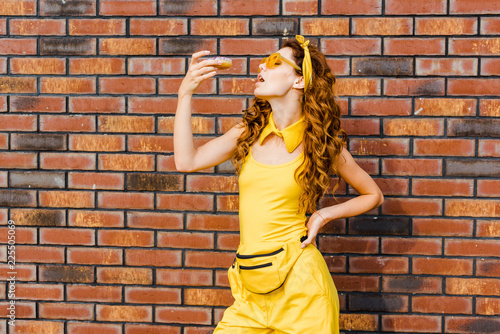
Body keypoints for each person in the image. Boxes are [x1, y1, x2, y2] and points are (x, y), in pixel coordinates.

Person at [174, 35, 384, 334]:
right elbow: (187, 162)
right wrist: (185, 95)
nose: (262, 65)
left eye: (274, 62)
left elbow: (372, 194)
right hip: (250, 291)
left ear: (299, 80)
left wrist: (322, 216)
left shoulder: (321, 143)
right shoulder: (248, 131)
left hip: (302, 291)